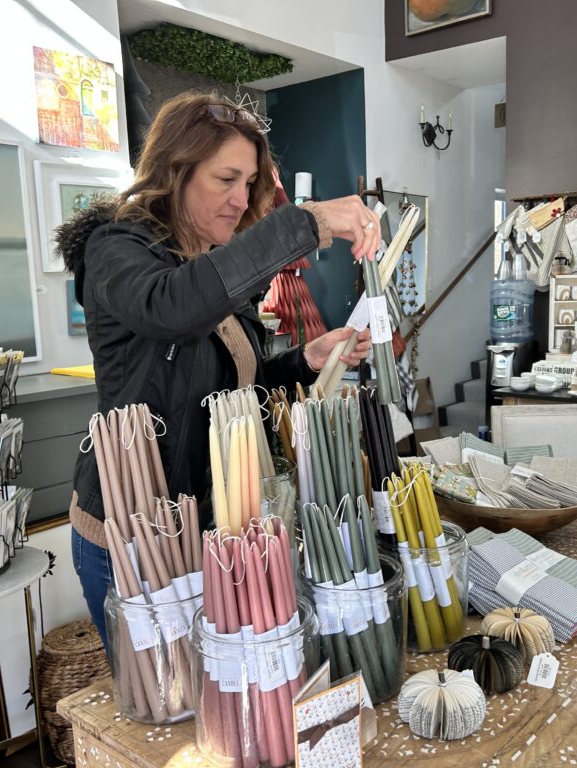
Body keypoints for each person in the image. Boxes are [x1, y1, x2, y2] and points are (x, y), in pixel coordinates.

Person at [57, 91, 379, 643]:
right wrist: (307, 222)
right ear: (174, 172)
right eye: (225, 179)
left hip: (204, 522)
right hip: (131, 534)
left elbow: (232, 393)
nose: (240, 198)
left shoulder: (210, 260)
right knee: (162, 707)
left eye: (250, 183)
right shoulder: (117, 250)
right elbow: (175, 308)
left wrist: (305, 360)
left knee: (214, 695)